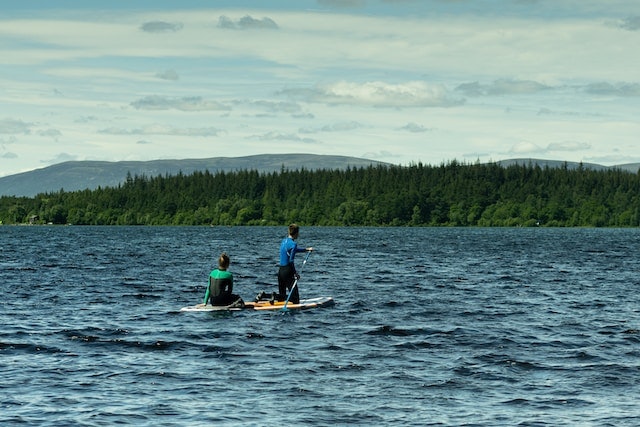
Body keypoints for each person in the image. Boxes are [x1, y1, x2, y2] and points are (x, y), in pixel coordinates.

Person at [277, 224, 313, 304]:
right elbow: (291, 261)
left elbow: (293, 250)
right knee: (295, 299)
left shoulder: (284, 241)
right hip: (288, 271)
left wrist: (306, 249)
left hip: (281, 271)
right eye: (298, 233)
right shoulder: (293, 244)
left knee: (282, 295)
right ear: (296, 233)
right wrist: (295, 273)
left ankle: (279, 302)